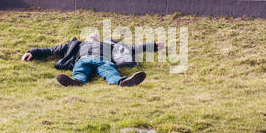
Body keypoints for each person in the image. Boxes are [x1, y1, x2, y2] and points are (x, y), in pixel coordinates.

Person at [22, 33, 165, 87]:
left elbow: (131, 48)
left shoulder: (109, 45)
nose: (92, 37)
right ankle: (76, 82)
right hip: (83, 60)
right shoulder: (75, 45)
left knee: (109, 71)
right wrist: (31, 52)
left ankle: (122, 81)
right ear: (85, 39)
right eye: (90, 36)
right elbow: (51, 50)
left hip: (103, 59)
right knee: (80, 70)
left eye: (95, 37)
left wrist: (153, 46)